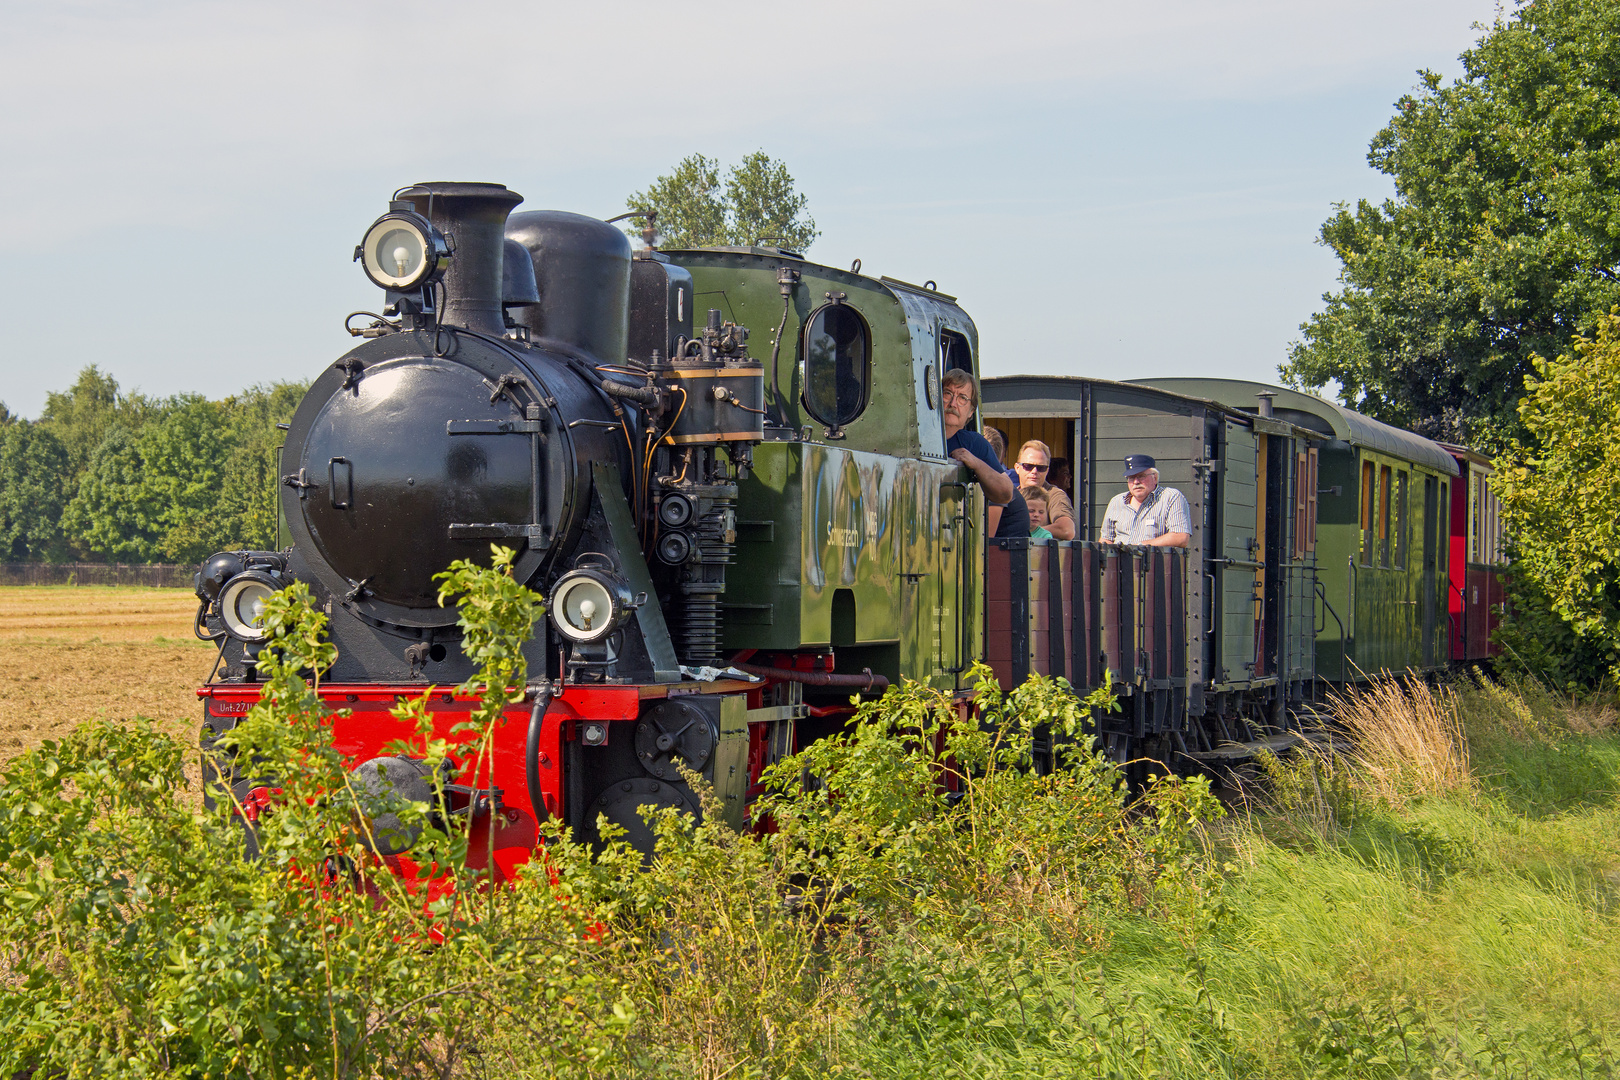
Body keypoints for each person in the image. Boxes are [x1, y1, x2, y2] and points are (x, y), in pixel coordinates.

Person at [941, 370, 1027, 538]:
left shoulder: (974, 444)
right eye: (947, 394)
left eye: (962, 398)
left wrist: (975, 462)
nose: (953, 403)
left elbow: (1005, 493)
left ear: (971, 412)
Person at [1100, 454, 1191, 548]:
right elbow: (1106, 540)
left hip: (1155, 561)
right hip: (1120, 562)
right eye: (1131, 478)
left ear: (1154, 478)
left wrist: (1140, 547)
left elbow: (1180, 537)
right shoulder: (1116, 501)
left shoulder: (1170, 497)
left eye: (1141, 476)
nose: (1136, 482)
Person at [1014, 439, 1077, 541]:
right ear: (1017, 468)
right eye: (1028, 466)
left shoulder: (1055, 495)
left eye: (1041, 468)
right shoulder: (1010, 495)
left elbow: (1067, 530)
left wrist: (1033, 532)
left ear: (1047, 471)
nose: (1034, 471)